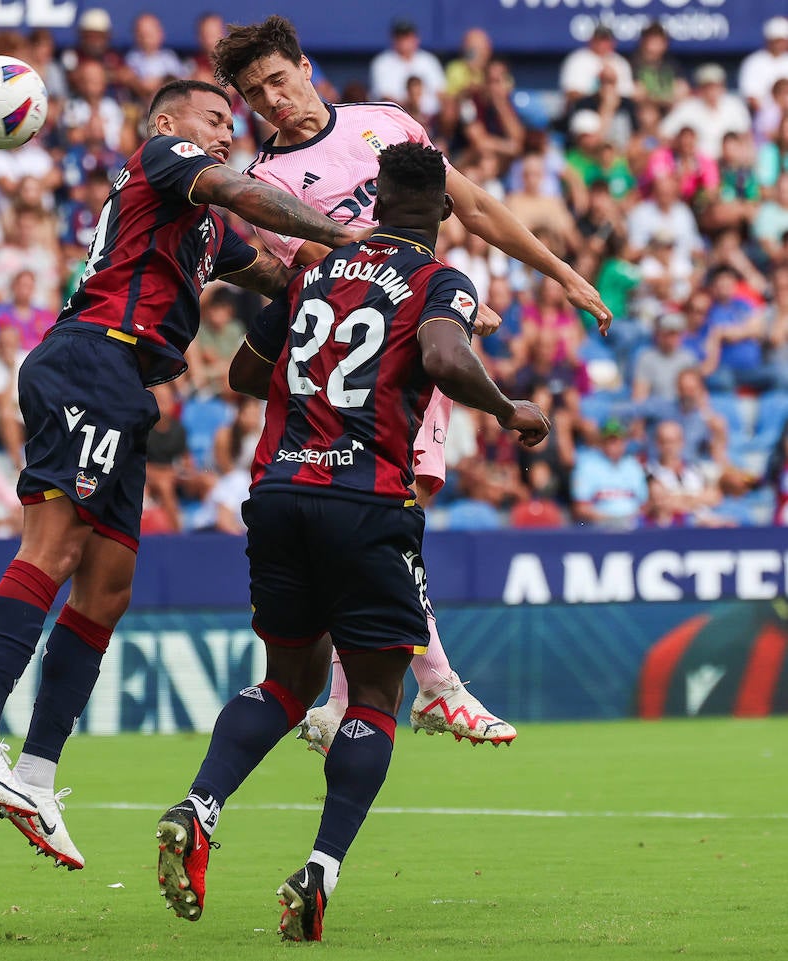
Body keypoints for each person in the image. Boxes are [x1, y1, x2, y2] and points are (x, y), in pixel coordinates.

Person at [0, 79, 357, 872]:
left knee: (109, 585)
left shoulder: (197, 225)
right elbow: (238, 193)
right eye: (215, 119)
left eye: (230, 125)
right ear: (169, 124)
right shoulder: (164, 160)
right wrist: (340, 228)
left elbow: (272, 270)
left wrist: (372, 264)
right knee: (52, 548)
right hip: (91, 355)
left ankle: (35, 772)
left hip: (127, 386)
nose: (227, 134)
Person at [152, 143, 550, 939]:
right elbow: (442, 353)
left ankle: (199, 806)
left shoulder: (315, 270)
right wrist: (508, 410)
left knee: (289, 680)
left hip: (279, 492)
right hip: (365, 499)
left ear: (375, 200)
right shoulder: (440, 279)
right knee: (372, 695)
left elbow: (243, 375)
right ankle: (319, 872)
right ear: (442, 210)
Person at [211, 15, 611, 746]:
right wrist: (440, 295)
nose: (273, 102)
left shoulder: (384, 124)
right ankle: (438, 685)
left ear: (303, 65)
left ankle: (338, 701)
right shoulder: (264, 184)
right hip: (368, 366)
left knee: (384, 517)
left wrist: (561, 273)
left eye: (278, 80)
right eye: (254, 96)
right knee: (388, 513)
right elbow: (335, 269)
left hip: (418, 337)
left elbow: (477, 205)